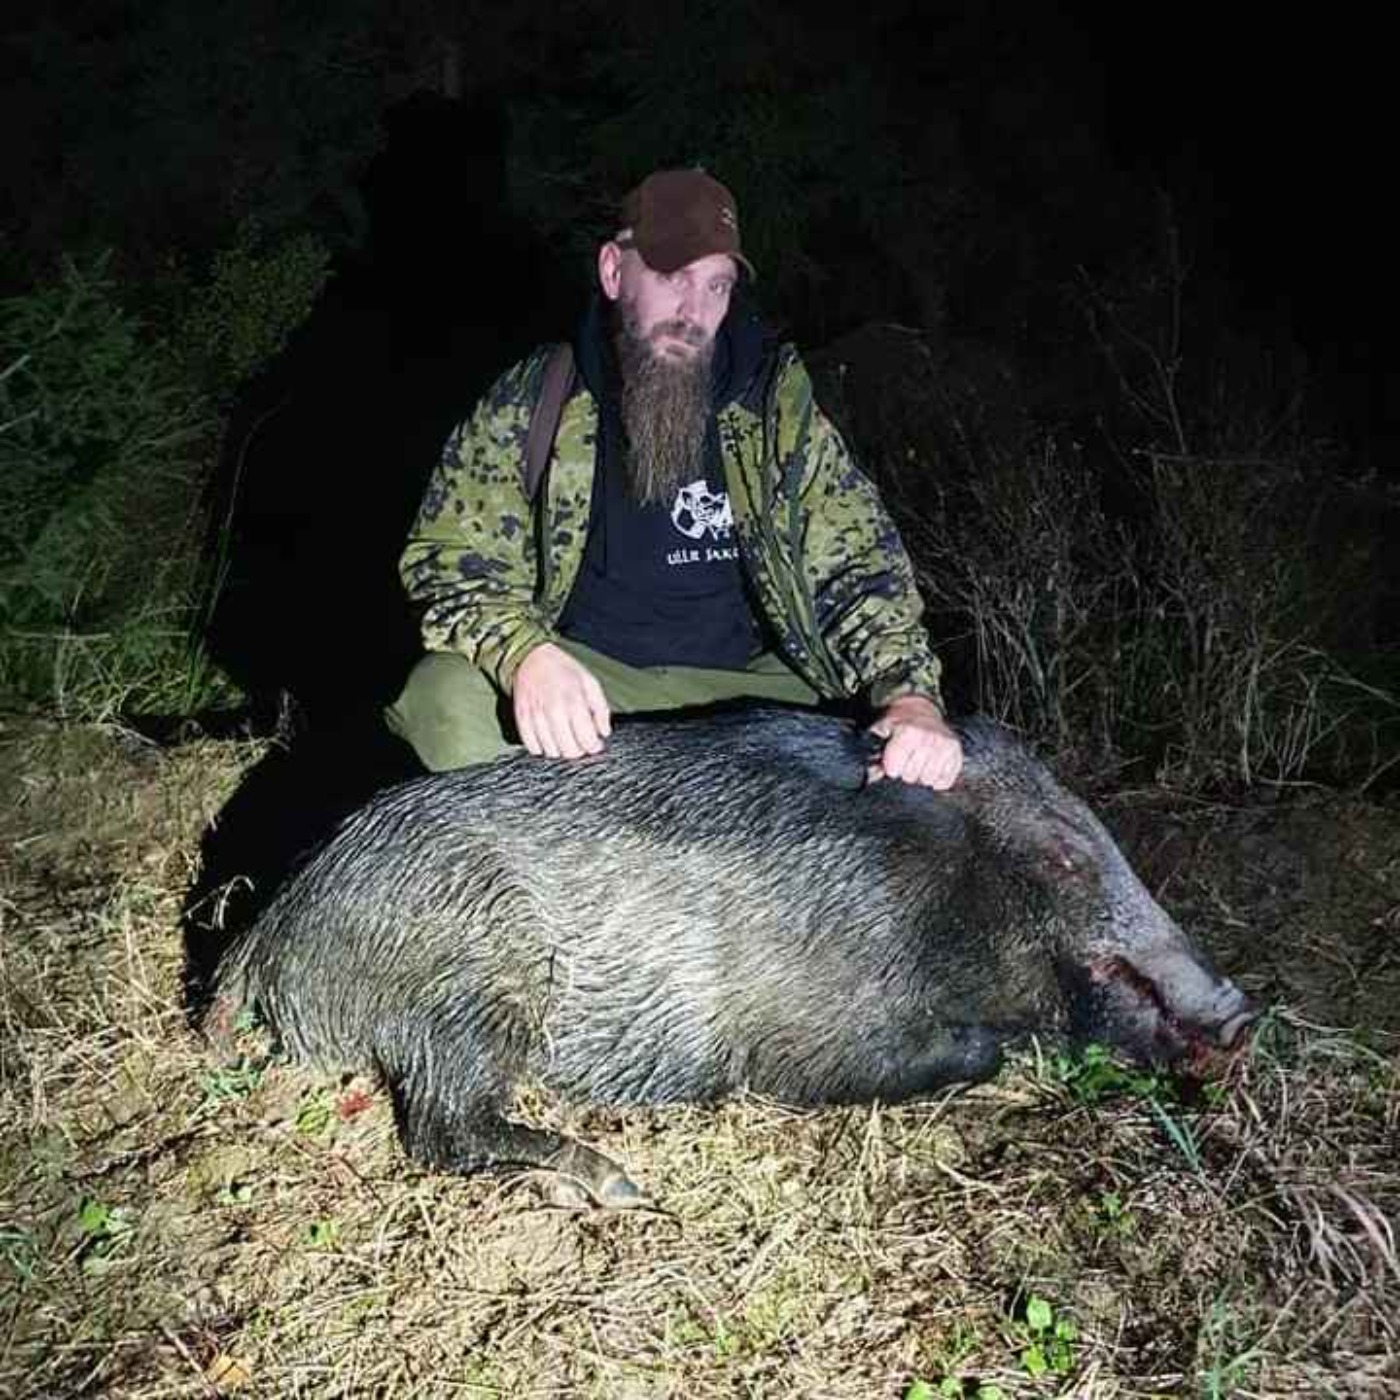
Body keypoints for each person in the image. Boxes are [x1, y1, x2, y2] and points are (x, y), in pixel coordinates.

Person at [386, 167, 963, 789]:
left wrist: (911, 698)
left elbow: (861, 571)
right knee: (441, 701)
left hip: (754, 692)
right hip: (592, 683)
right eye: (672, 278)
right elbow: (450, 562)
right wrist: (526, 653)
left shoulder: (775, 410)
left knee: (907, 768)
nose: (694, 311)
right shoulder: (533, 399)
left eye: (717, 287)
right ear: (613, 272)